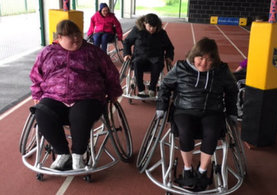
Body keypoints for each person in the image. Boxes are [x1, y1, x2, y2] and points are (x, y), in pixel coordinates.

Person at [30, 20, 122, 170]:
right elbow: (36, 75)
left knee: (81, 114)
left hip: (87, 97)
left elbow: (111, 74)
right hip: (54, 96)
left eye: (78, 34)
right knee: (41, 112)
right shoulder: (47, 53)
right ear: (59, 37)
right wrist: (37, 94)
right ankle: (62, 153)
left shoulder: (93, 52)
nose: (76, 38)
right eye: (70, 36)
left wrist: (113, 93)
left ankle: (78, 155)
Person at [156, 37, 238, 190]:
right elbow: (165, 86)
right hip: (184, 110)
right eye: (200, 58)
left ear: (215, 60)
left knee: (212, 132)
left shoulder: (222, 70)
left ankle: (202, 171)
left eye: (209, 59)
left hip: (212, 111)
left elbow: (232, 91)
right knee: (185, 132)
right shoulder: (181, 67)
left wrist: (232, 111)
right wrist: (161, 106)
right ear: (194, 56)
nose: (203, 63)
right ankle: (187, 169)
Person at [123, 13, 174, 97]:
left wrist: (169, 56)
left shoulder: (161, 33)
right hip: (139, 58)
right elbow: (127, 42)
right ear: (144, 23)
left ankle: (152, 89)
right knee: (136, 63)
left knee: (157, 64)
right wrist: (127, 53)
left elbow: (169, 47)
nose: (152, 29)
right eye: (150, 26)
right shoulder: (137, 30)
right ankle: (141, 90)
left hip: (155, 58)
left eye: (154, 27)